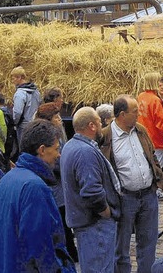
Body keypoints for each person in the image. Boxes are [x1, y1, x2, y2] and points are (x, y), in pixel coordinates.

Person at [100, 95, 163, 273]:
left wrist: (158, 177)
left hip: (148, 196)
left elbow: (151, 155)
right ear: (122, 114)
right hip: (124, 199)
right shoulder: (106, 136)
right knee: (121, 247)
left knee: (148, 243)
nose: (139, 114)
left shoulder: (140, 130)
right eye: (135, 112)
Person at [0, 119, 75, 273]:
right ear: (42, 150)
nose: (59, 155)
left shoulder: (7, 179)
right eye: (57, 149)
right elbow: (41, 249)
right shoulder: (34, 187)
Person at [61, 107, 120, 273]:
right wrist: (106, 212)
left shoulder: (71, 145)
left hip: (86, 224)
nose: (102, 126)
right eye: (100, 123)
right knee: (100, 268)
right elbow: (92, 191)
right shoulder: (85, 152)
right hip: (95, 225)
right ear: (92, 126)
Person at [36, 102, 78, 263]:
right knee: (61, 222)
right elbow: (55, 164)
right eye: (56, 116)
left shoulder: (56, 133)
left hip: (59, 185)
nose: (60, 119)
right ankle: (68, 253)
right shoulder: (49, 138)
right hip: (55, 187)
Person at [137, 72, 163, 201]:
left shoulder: (141, 96)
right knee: (158, 165)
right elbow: (159, 122)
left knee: (147, 164)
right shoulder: (155, 99)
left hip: (143, 136)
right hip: (156, 138)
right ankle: (156, 191)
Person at [10, 66, 41, 142]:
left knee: (24, 148)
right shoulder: (36, 91)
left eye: (13, 78)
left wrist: (14, 123)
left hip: (23, 127)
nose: (12, 81)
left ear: (19, 78)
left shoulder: (20, 93)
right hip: (35, 124)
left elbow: (18, 112)